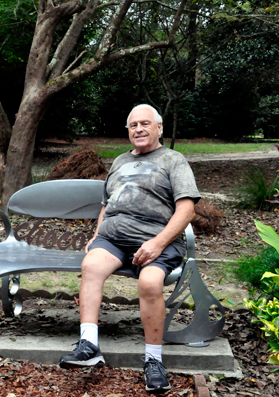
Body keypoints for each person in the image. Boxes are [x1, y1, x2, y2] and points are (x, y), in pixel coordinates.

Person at [59, 104, 200, 392]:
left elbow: (186, 210)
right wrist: (97, 234)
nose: (139, 129)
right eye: (133, 125)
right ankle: (89, 345)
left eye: (145, 123)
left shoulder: (174, 160)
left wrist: (157, 243)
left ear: (159, 127)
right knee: (91, 265)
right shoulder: (121, 161)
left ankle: (153, 360)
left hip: (156, 240)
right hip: (113, 240)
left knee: (149, 282)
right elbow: (107, 205)